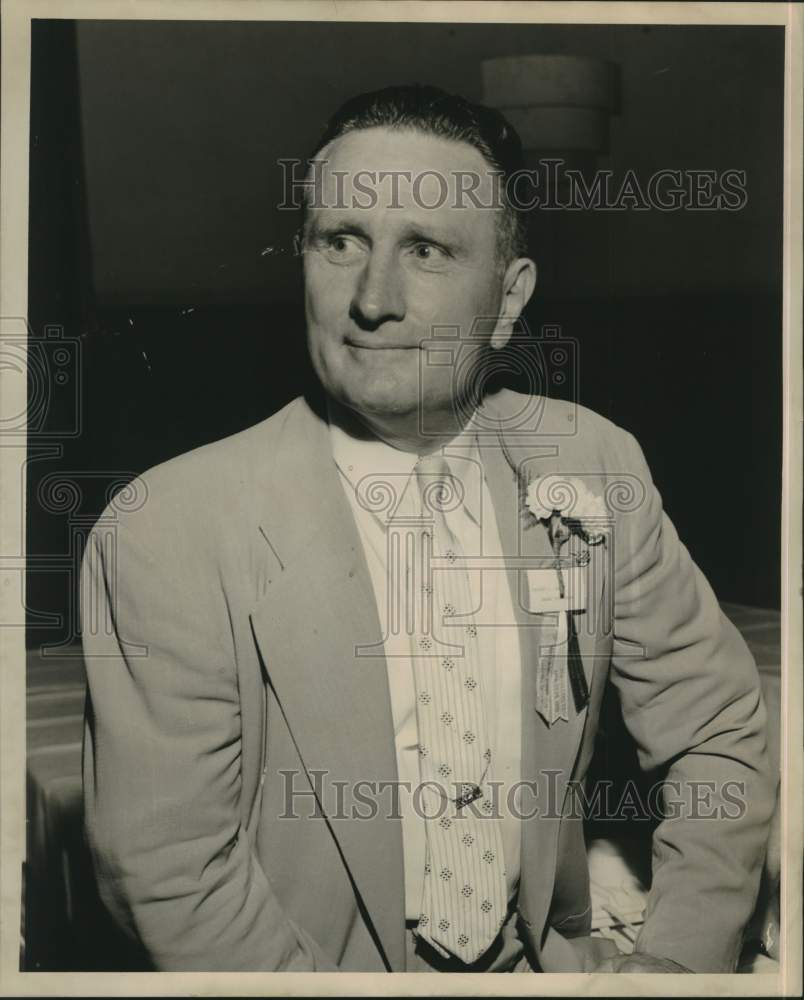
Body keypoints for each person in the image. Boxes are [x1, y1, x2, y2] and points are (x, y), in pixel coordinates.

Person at [80, 84, 774, 973]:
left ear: (510, 295)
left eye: (428, 249)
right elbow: (171, 871)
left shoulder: (589, 464)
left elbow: (715, 729)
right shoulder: (168, 526)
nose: (373, 298)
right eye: (341, 242)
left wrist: (677, 966)